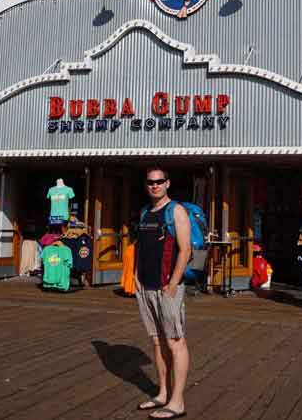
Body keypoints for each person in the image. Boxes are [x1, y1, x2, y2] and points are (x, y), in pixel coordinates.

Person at [134, 166, 191, 419]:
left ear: (168, 183)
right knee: (157, 341)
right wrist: (135, 275)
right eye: (150, 182)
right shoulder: (145, 212)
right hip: (146, 286)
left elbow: (185, 250)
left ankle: (177, 401)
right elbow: (141, 246)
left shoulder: (176, 211)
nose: (155, 185)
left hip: (168, 287)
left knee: (175, 342)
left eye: (159, 181)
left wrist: (172, 284)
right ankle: (163, 394)